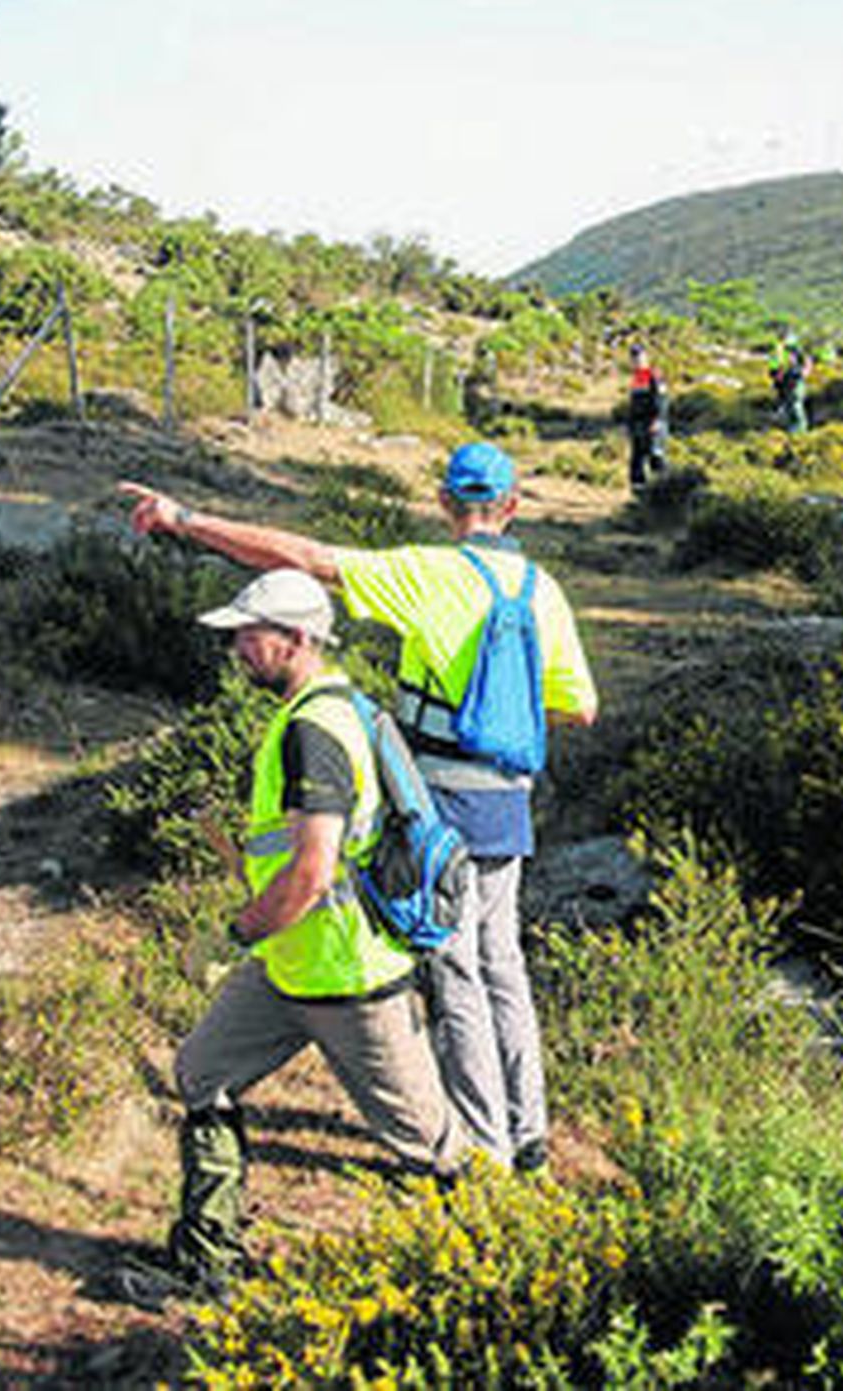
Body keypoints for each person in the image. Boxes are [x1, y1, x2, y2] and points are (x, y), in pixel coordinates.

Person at [120, 441, 598, 1176]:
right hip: (510, 804)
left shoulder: (430, 574)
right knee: (505, 964)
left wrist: (186, 518)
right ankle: (528, 1128)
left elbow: (304, 557)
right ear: (511, 508)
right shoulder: (543, 590)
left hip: (439, 803)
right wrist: (497, 716)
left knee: (454, 972)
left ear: (444, 503)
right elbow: (581, 707)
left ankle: (484, 1150)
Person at [110, 570, 469, 1309]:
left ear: (298, 639)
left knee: (429, 1145)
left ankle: (487, 1283)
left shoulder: (316, 728)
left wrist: (230, 934)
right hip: (290, 964)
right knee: (202, 1070)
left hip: (347, 975)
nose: (237, 646)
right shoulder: (316, 711)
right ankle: (206, 1266)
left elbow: (310, 873)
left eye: (250, 634)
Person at [625, 343, 669, 490]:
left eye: (639, 356)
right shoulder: (636, 378)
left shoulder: (654, 375)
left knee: (656, 457)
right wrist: (630, 425)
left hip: (653, 424)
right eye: (633, 357)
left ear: (646, 357)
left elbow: (661, 400)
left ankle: (666, 490)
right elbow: (633, 405)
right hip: (638, 425)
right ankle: (639, 494)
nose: (636, 360)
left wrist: (657, 420)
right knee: (636, 460)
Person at [768, 333, 810, 434]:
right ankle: (790, 427)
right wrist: (776, 374)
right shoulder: (777, 352)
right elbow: (773, 367)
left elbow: (806, 365)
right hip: (783, 382)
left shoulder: (796, 351)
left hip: (794, 380)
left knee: (795, 403)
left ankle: (800, 429)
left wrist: (801, 373)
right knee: (786, 404)